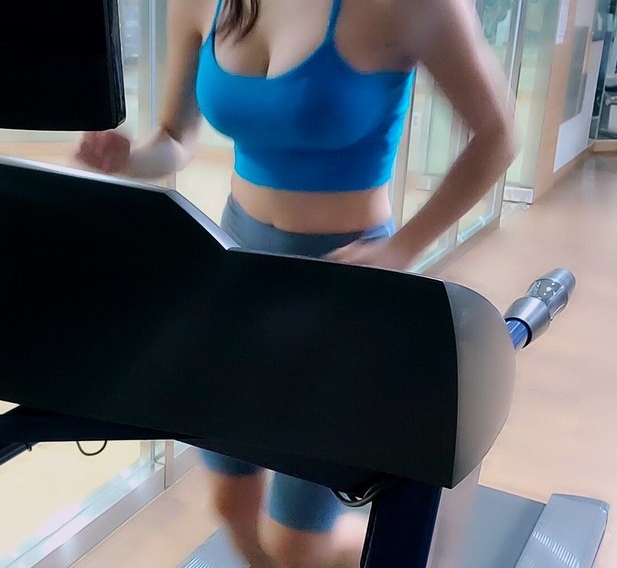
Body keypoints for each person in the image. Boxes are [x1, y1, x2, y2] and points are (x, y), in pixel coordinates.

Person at [76, 0, 516, 566]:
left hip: (341, 285)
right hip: (238, 269)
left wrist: (403, 248)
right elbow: (175, 137)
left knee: (298, 546)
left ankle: (423, 551)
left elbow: (498, 134)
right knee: (232, 501)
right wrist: (127, 160)